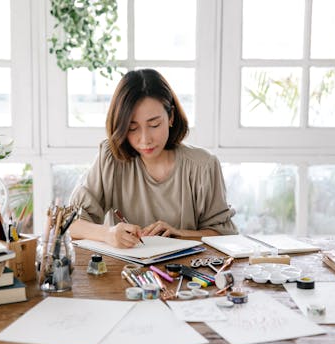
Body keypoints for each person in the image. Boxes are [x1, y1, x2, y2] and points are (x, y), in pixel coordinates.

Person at [69, 68, 236, 248]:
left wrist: (180, 234)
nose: (145, 139)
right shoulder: (111, 159)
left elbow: (225, 235)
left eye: (154, 124)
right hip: (123, 271)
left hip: (186, 272)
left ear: (171, 117)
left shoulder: (202, 165)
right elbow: (70, 223)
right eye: (132, 128)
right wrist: (108, 233)